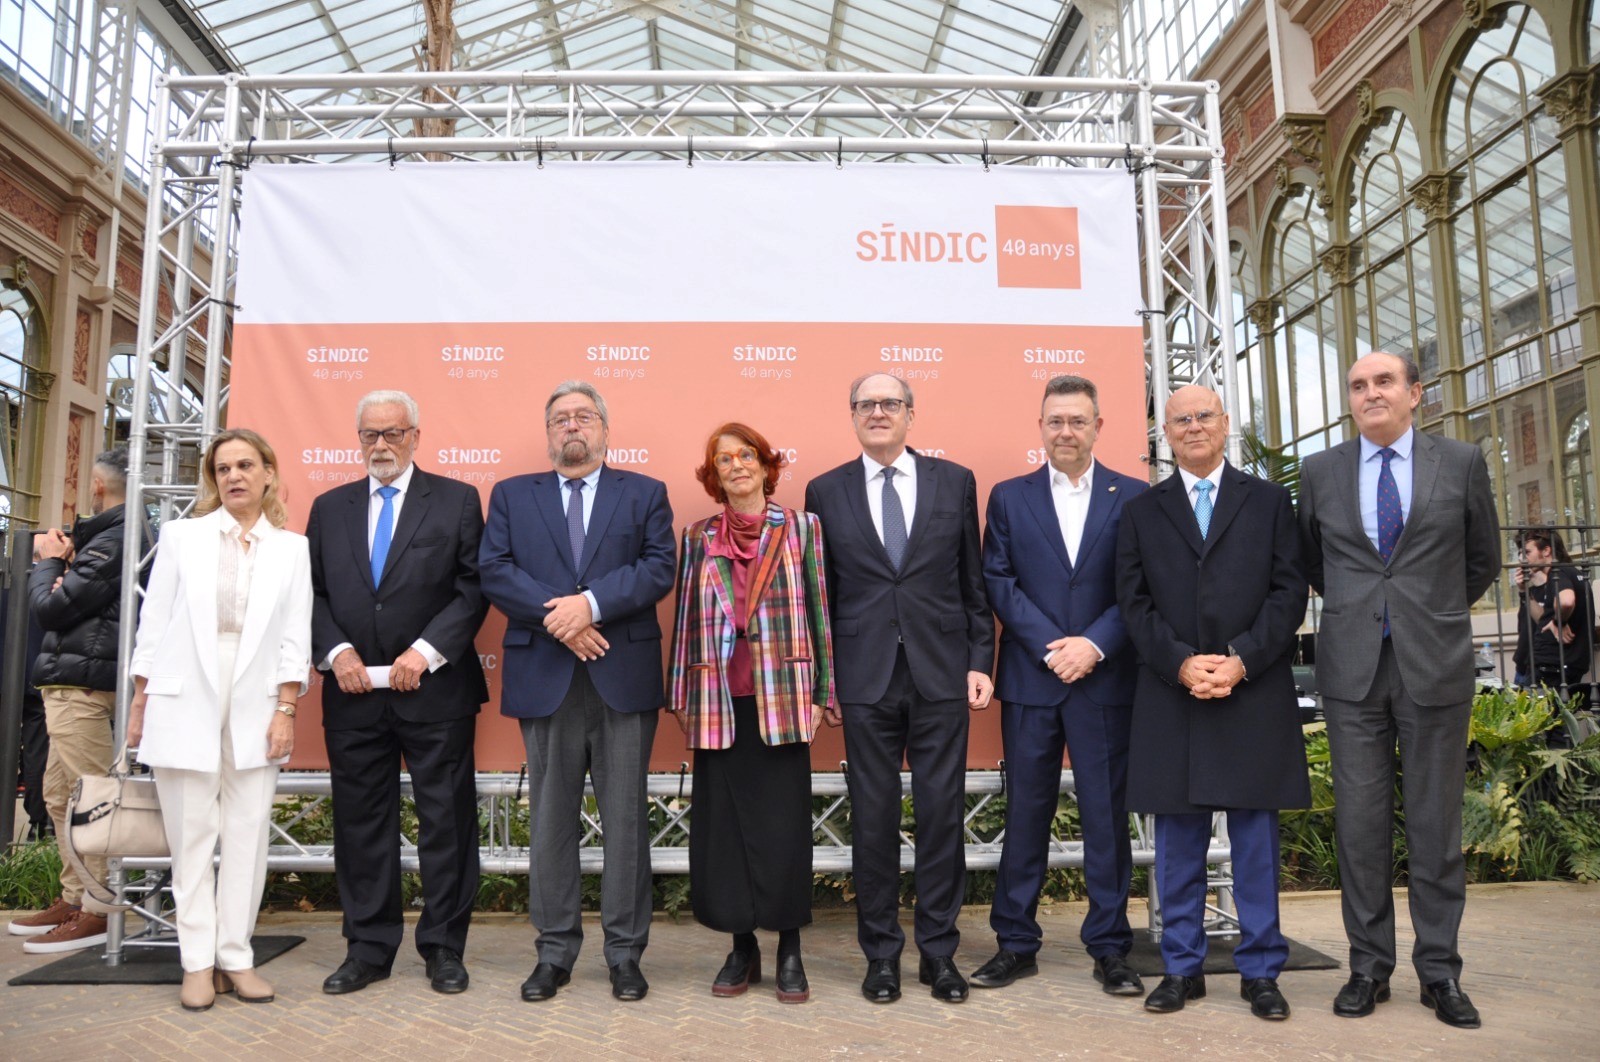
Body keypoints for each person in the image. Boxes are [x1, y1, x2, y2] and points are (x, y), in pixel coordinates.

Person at [1298, 351, 1500, 1030]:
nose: (1370, 393)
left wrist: (1428, 612)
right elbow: (1312, 562)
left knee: (1436, 825)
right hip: (1353, 670)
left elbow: (1483, 559)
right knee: (1359, 828)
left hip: (1434, 666)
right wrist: (1369, 612)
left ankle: (1440, 972)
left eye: (1384, 382)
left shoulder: (1462, 464)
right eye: (1358, 386)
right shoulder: (1321, 471)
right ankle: (1367, 968)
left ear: (1416, 393)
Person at [1116, 384, 1310, 1021]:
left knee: (1255, 846)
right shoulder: (1143, 511)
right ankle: (1181, 969)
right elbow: (1133, 604)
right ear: (1165, 434)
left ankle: (1261, 972)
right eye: (1180, 420)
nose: (1193, 427)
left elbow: (1289, 593)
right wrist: (1179, 662)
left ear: (1226, 424)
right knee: (1176, 848)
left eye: (1204, 416)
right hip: (1174, 697)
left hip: (1251, 693)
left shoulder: (1270, 501)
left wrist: (1242, 659)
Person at [480, 381, 675, 1003]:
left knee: (625, 822)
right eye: (560, 418)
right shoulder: (512, 494)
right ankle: (554, 952)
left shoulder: (644, 493)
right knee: (551, 822)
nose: (573, 426)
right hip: (545, 675)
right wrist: (562, 620)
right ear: (548, 433)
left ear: (605, 430)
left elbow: (657, 567)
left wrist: (589, 605)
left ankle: (624, 954)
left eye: (584, 417)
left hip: (621, 675)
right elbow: (496, 570)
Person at [803, 372, 994, 1005]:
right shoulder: (825, 491)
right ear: (851, 414)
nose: (878, 413)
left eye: (890, 404)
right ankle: (880, 957)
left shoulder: (954, 481)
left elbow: (974, 581)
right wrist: (826, 682)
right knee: (873, 822)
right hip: (864, 679)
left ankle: (939, 956)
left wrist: (980, 659)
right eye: (866, 404)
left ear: (912, 413)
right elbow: (821, 598)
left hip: (941, 672)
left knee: (942, 819)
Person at [307, 390, 489, 996]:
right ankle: (368, 948)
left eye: (392, 433)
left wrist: (424, 653)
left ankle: (443, 948)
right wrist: (338, 654)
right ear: (357, 439)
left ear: (415, 434)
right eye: (369, 435)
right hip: (353, 695)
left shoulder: (459, 501)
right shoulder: (329, 508)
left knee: (447, 822)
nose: (380, 445)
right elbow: (312, 595)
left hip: (435, 692)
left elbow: (472, 589)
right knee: (360, 826)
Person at [972, 375, 1147, 996]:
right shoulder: (1009, 497)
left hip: (1104, 680)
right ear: (1040, 427)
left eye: (1077, 420)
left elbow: (1140, 589)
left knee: (1105, 818)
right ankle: (1015, 944)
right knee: (1025, 815)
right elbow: (998, 581)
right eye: (1054, 421)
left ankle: (1111, 948)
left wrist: (1093, 645)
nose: (1065, 431)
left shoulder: (1134, 496)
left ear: (1099, 426)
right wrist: (1055, 648)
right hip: (1032, 679)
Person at [129, 429, 312, 1011]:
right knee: (191, 839)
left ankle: (236, 956)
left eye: (245, 465)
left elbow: (294, 637)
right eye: (222, 467)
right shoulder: (182, 538)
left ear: (267, 474)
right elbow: (152, 626)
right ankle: (197, 964)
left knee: (247, 837)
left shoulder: (292, 548)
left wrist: (286, 709)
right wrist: (139, 703)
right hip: (184, 697)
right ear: (213, 477)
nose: (233, 475)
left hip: (259, 701)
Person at [666, 423, 837, 1004]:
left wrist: (823, 695)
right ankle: (743, 948)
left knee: (783, 830)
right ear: (713, 475)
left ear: (766, 466)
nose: (736, 465)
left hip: (783, 699)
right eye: (723, 459)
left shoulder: (803, 529)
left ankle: (790, 948)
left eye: (746, 456)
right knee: (725, 833)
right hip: (718, 703)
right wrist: (681, 697)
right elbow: (685, 620)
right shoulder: (697, 536)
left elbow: (821, 613)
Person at [13, 447, 134, 954]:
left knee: (90, 799)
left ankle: (99, 908)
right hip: (75, 680)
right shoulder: (107, 537)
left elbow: (53, 608)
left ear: (98, 487)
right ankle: (75, 896)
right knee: (63, 797)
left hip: (82, 686)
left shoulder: (115, 537)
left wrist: (45, 565)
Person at [1512, 530, 1593, 712]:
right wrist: (1524, 592)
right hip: (1558, 666)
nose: (1522, 559)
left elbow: (1566, 601)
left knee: (1538, 726)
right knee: (1555, 724)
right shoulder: (1568, 573)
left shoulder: (1559, 571)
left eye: (1527, 552)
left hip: (1552, 668)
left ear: (1546, 551)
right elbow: (1543, 620)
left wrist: (1559, 621)